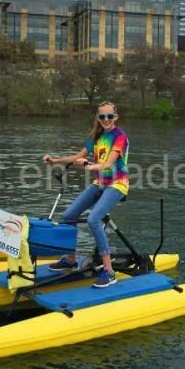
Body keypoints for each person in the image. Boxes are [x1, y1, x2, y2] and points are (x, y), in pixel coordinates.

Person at [42, 101, 129, 288]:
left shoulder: (119, 136)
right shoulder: (96, 137)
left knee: (93, 219)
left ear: (116, 117)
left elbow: (108, 164)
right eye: (102, 116)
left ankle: (109, 271)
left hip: (117, 183)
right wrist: (54, 160)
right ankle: (71, 259)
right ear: (98, 118)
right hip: (100, 183)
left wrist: (88, 166)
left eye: (110, 116)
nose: (106, 120)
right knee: (68, 216)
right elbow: (76, 157)